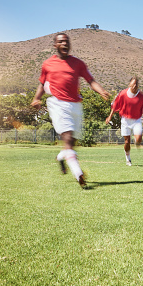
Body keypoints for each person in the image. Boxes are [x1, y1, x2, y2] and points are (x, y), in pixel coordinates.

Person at [31, 33, 110, 187]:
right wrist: (36, 98)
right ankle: (78, 173)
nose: (65, 44)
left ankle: (61, 157)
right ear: (55, 45)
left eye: (67, 41)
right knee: (67, 137)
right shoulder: (47, 64)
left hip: (76, 105)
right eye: (61, 42)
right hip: (58, 104)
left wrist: (100, 91)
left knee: (72, 142)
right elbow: (42, 84)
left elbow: (91, 80)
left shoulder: (78, 64)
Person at [105, 77, 143, 166]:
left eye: (136, 84)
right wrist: (109, 117)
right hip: (125, 120)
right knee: (127, 142)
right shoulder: (123, 94)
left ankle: (136, 139)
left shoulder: (141, 97)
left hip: (136, 120)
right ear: (129, 84)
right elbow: (115, 106)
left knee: (138, 139)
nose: (135, 86)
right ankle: (128, 159)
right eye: (133, 84)